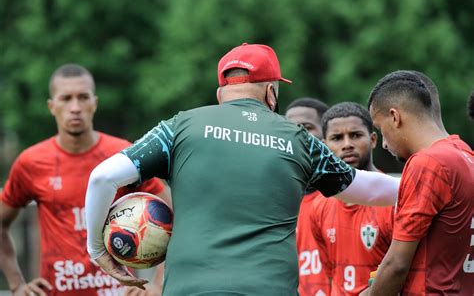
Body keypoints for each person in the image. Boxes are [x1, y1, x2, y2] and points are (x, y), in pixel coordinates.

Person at [84, 43, 400, 295]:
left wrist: (98, 250)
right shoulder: (298, 139)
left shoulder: (180, 127)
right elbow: (370, 189)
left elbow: (103, 177)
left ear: (221, 92)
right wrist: (428, 181)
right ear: (271, 92)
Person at [0, 64, 169, 296]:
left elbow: (174, 216)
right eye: (66, 99)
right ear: (52, 106)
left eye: (83, 97)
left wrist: (159, 284)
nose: (75, 107)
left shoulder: (123, 156)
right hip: (59, 291)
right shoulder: (31, 162)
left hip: (120, 292)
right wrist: (17, 284)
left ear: (95, 103)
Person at [362, 70, 474, 295]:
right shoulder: (467, 155)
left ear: (395, 117)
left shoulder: (428, 163)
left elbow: (397, 266)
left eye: (380, 129)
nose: (383, 144)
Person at [309, 102, 394, 295]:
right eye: (337, 138)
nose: (347, 144)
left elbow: (400, 271)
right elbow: (331, 272)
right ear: (324, 146)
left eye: (355, 135)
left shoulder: (394, 199)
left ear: (373, 139)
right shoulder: (318, 206)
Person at [285, 98, 332, 296]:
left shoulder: (343, 198)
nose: (297, 134)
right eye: (290, 127)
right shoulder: (273, 199)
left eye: (306, 127)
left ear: (326, 138)